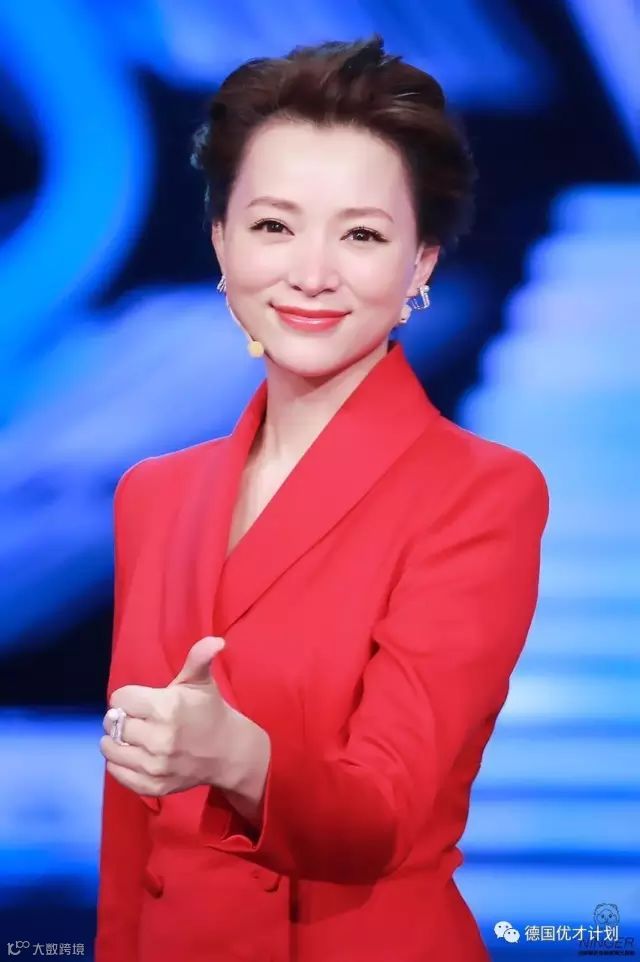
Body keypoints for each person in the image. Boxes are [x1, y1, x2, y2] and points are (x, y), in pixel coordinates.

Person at [94, 34, 549, 962]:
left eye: (362, 235)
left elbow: (386, 812)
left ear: (421, 264)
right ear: (221, 243)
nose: (311, 272)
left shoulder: (481, 493)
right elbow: (131, 823)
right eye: (273, 226)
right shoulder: (154, 493)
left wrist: (238, 758)